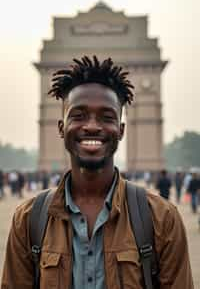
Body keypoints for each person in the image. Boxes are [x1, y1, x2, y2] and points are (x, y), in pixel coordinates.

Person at [1, 56, 193, 288]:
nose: (92, 126)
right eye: (78, 115)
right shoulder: (29, 221)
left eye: (107, 117)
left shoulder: (162, 220)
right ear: (61, 128)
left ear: (121, 130)